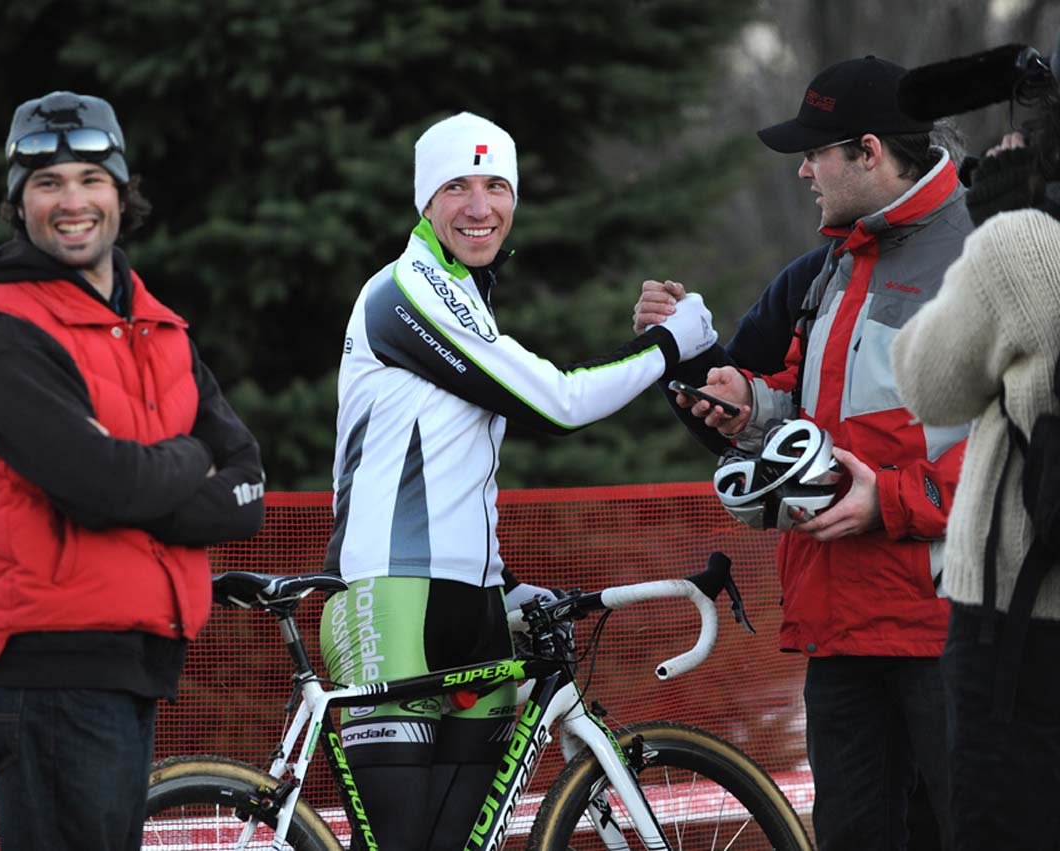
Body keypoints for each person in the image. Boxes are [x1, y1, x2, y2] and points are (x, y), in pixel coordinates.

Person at [318, 111, 718, 850]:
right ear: (424, 201)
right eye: (457, 186)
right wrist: (670, 345)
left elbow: (457, 465)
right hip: (390, 597)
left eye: (497, 185)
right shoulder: (405, 288)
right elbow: (557, 402)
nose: (480, 206)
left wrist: (501, 581)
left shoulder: (465, 294)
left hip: (472, 607)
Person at [640, 57, 973, 851]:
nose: (802, 170)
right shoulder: (835, 263)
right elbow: (816, 419)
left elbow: (1020, 458)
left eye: (815, 151)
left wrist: (888, 501)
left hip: (949, 640)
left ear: (868, 151)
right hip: (842, 632)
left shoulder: (979, 256)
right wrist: (748, 408)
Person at [0, 91, 266, 850]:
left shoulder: (160, 326)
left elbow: (247, 488)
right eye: (47, 182)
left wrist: (139, 477)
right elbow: (101, 487)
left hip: (135, 660)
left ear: (122, 194)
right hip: (49, 666)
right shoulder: (2, 334)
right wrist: (190, 457)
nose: (72, 201)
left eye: (90, 179)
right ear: (17, 204)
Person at [893, 111, 1060, 849]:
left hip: (1020, 615)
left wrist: (998, 221)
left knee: (1005, 818)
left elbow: (928, 383)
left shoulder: (1026, 239)